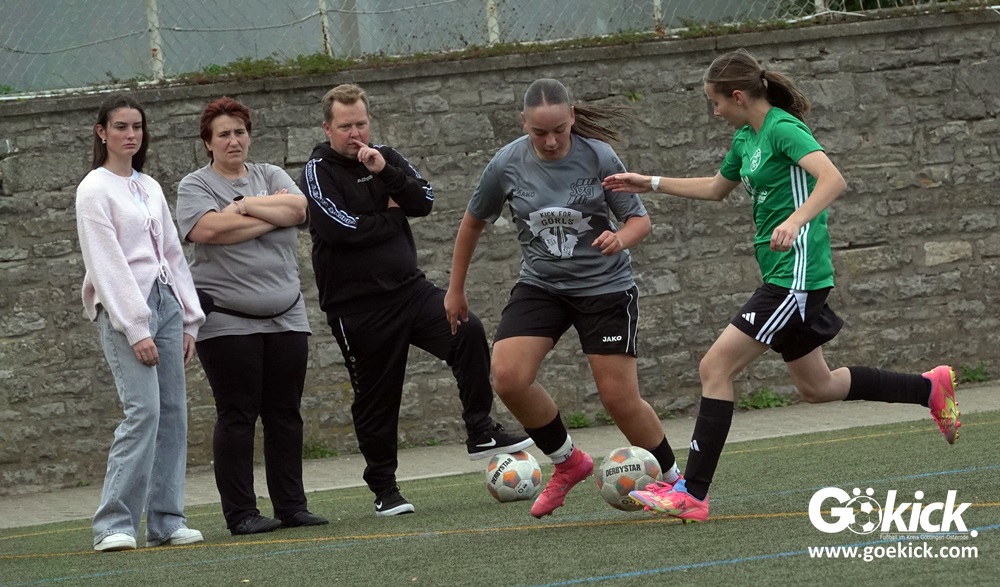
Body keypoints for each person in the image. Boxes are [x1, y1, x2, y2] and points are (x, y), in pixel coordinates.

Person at [604, 48, 961, 523]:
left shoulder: (782, 129)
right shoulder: (746, 138)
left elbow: (832, 180)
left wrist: (795, 220)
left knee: (714, 367)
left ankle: (692, 493)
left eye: (716, 102)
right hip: (781, 275)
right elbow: (716, 188)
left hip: (796, 277)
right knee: (818, 385)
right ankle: (929, 389)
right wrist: (648, 182)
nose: (714, 111)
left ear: (737, 96)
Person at [445, 78, 683, 519]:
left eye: (559, 129)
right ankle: (568, 462)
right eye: (540, 132)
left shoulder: (598, 156)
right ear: (523, 123)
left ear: (572, 117)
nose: (551, 141)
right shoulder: (505, 164)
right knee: (508, 377)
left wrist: (620, 237)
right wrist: (455, 289)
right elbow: (472, 223)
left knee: (618, 399)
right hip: (542, 285)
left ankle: (676, 483)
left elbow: (639, 221)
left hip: (605, 288)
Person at [299, 83, 533, 516]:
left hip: (410, 290)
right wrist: (390, 215)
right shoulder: (317, 171)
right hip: (357, 308)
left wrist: (385, 173)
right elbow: (339, 229)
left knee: (467, 329)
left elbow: (424, 201)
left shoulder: (384, 156)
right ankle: (384, 488)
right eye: (345, 127)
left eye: (361, 124)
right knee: (377, 397)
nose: (355, 134)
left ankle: (480, 429)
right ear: (327, 128)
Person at [175, 97, 328, 535]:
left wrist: (241, 207)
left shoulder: (271, 174)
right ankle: (241, 513)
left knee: (285, 414)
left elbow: (299, 210)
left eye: (239, 132)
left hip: (286, 316)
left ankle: (291, 506)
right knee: (238, 415)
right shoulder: (195, 185)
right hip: (227, 320)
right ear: (208, 142)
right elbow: (207, 230)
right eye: (223, 134)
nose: (233, 140)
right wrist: (269, 214)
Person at [76, 94, 206, 552]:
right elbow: (106, 262)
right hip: (125, 307)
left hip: (167, 301)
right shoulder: (93, 189)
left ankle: (167, 520)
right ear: (102, 132)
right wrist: (135, 326)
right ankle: (113, 523)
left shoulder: (148, 185)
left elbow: (171, 252)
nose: (131, 134)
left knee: (173, 413)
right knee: (144, 412)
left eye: (137, 126)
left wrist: (190, 318)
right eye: (121, 127)